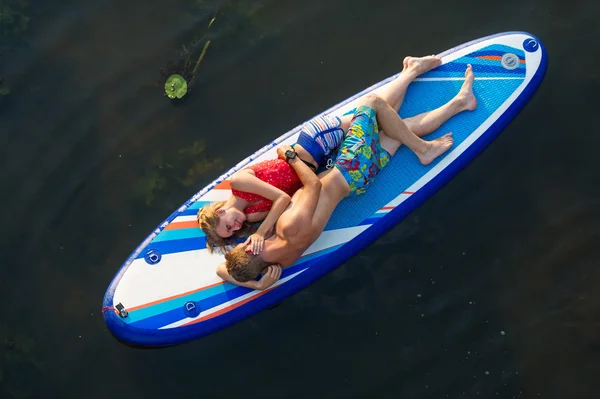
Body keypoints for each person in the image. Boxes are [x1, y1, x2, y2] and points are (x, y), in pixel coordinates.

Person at [218, 61, 478, 290]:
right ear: (250, 249)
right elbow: (312, 186)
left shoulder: (283, 259)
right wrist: (289, 156)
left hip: (357, 180)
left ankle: (459, 103)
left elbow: (222, 272)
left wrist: (257, 284)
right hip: (350, 166)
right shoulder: (288, 227)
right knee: (372, 104)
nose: (239, 243)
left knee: (400, 128)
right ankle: (424, 149)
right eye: (240, 247)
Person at [198, 55, 445, 255]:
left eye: (228, 225)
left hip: (313, 144)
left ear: (220, 212)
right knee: (376, 124)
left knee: (373, 113)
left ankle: (410, 72)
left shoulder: (239, 184)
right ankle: (411, 74)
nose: (236, 226)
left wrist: (261, 233)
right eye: (233, 232)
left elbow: (283, 199)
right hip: (321, 165)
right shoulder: (251, 214)